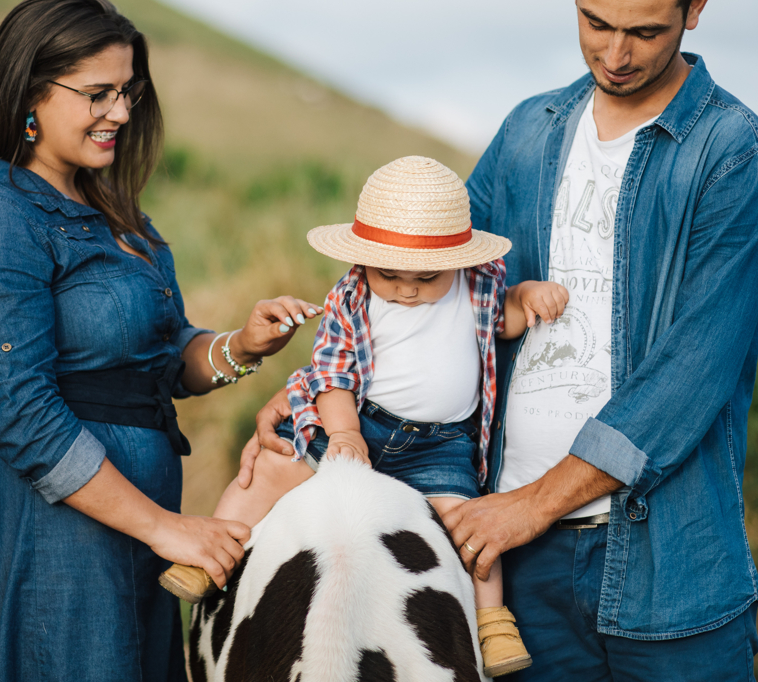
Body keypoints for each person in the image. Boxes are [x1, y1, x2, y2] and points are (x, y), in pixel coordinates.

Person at [244, 0, 758, 680]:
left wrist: (529, 507)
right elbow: (423, 288)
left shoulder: (735, 156)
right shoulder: (527, 133)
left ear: (697, 3)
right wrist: (316, 392)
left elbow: (690, 376)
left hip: (666, 569)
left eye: (645, 30)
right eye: (595, 22)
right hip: (507, 562)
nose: (615, 53)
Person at [0, 0, 321, 681]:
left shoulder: (114, 212)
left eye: (130, 92)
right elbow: (25, 417)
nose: (121, 113)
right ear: (29, 94)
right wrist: (168, 529)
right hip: (60, 536)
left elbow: (162, 362)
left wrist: (238, 346)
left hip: (139, 524)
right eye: (99, 93)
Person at [165, 155, 569, 677]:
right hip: (360, 419)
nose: (406, 288)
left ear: (456, 261)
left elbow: (507, 319)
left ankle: (491, 621)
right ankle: (211, 551)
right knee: (266, 471)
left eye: (426, 276)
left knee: (473, 526)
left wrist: (528, 296)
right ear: (364, 260)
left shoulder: (478, 286)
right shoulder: (352, 295)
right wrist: (344, 432)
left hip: (439, 445)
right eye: (390, 274)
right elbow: (332, 374)